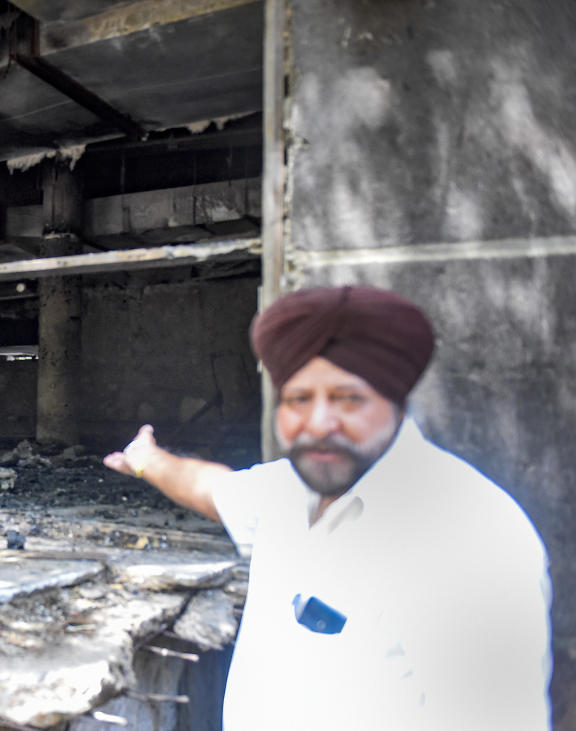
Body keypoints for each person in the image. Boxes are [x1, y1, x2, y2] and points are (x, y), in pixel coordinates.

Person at [104, 285, 551, 730]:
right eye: (299, 399)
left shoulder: (472, 536)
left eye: (348, 398)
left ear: (396, 402)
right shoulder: (287, 490)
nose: (318, 423)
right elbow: (211, 488)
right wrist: (147, 461)